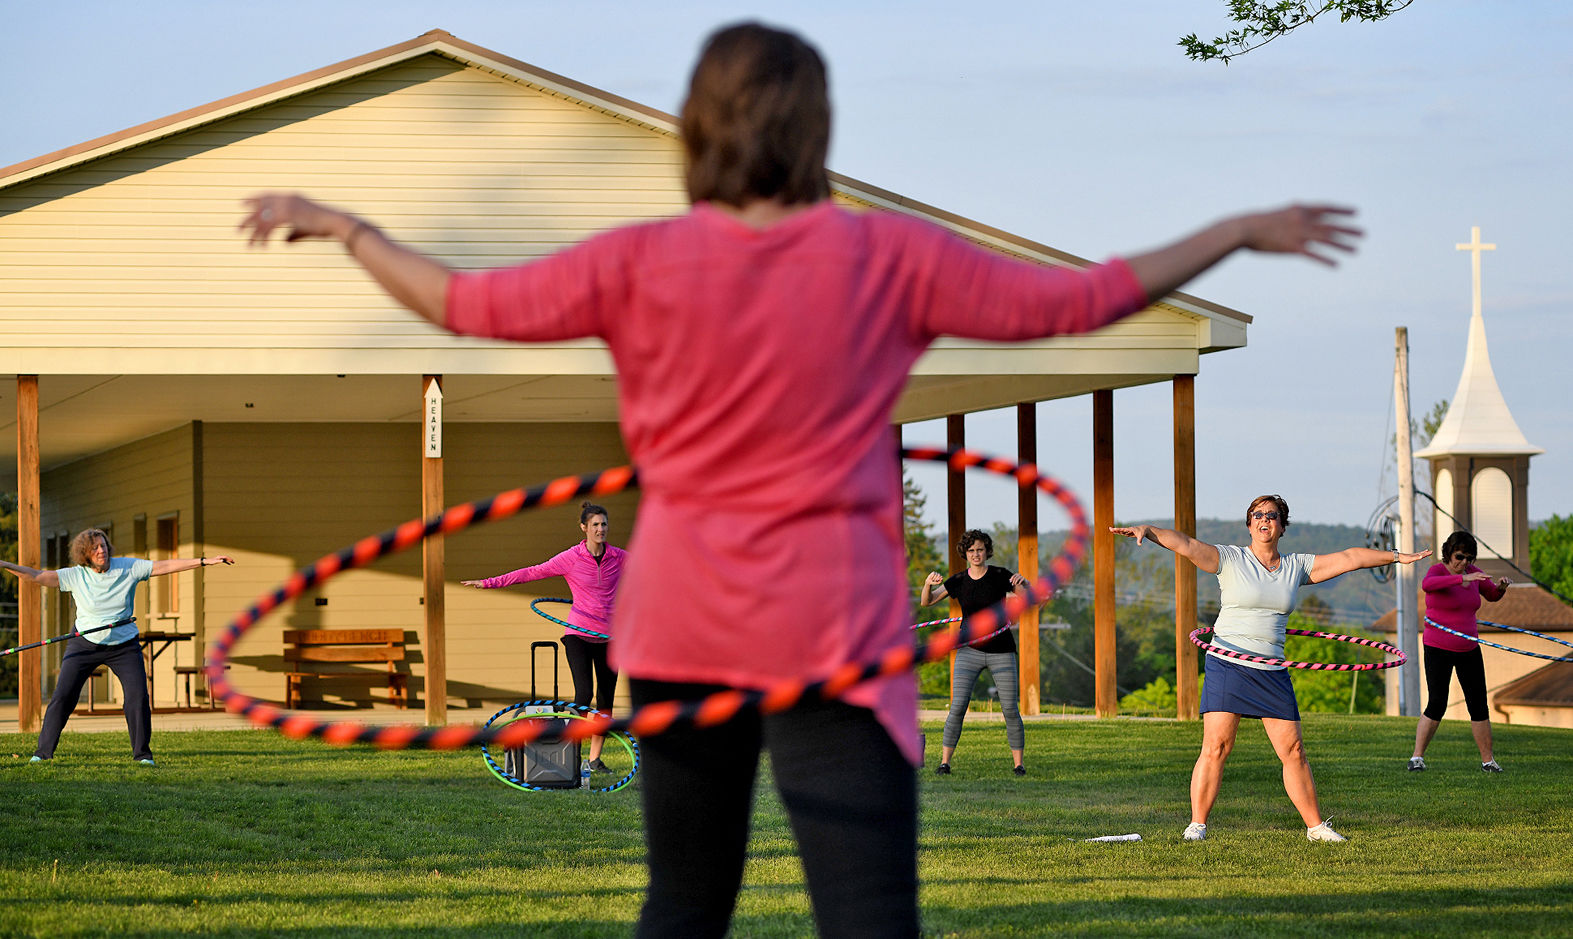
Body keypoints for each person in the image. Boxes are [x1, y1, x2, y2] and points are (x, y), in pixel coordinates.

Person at [239, 21, 1362, 935]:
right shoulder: (885, 254)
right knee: (868, 919)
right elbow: (1076, 303)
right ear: (817, 125)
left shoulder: (640, 260)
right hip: (837, 638)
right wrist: (1229, 229)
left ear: (698, 126)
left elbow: (460, 304)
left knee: (685, 903)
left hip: (683, 634)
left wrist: (346, 227)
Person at [1112, 495, 1428, 844]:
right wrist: (1148, 531)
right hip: (1229, 661)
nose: (1265, 520)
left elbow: (1351, 558)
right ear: (1249, 524)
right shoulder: (1230, 558)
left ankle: (1315, 827)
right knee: (1216, 746)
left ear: (1282, 526)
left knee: (1293, 751)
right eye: (1258, 515)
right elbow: (1186, 544)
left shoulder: (1297, 567)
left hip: (1271, 669)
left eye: (1272, 515)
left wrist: (1400, 556)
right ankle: (1197, 824)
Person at [0, 528, 235, 765]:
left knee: (138, 696)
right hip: (84, 643)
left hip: (124, 645)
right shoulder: (76, 575)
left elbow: (164, 566)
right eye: (95, 548)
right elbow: (37, 575)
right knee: (63, 696)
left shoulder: (128, 567)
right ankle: (42, 753)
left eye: (103, 546)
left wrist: (205, 561)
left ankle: (143, 755)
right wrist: (4, 564)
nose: (101, 551)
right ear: (85, 554)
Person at [462, 501, 625, 772]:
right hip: (579, 633)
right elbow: (531, 572)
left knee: (606, 699)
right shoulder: (571, 558)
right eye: (595, 524)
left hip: (610, 636)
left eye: (604, 524)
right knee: (584, 694)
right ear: (584, 528)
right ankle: (568, 749)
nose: (600, 529)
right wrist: (488, 582)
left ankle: (595, 759)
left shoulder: (620, 558)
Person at [918, 529, 1029, 776]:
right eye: (971, 551)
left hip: (1001, 649)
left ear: (986, 551)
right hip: (969, 650)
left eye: (980, 549)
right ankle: (945, 763)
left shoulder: (1001, 575)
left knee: (1010, 708)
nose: (976, 554)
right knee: (958, 706)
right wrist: (927, 584)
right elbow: (927, 601)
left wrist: (1024, 584)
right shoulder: (958, 580)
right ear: (965, 554)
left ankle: (1018, 764)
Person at [1409, 530, 1510, 773]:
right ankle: (1417, 757)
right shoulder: (1439, 571)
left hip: (1468, 648)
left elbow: (1491, 595)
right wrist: (1460, 580)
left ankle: (1488, 761)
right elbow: (1427, 585)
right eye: (1460, 557)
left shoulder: (1472, 574)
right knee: (1437, 703)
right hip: (1438, 647)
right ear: (1449, 553)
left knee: (1478, 705)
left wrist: (1501, 587)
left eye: (1469, 559)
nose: (1464, 563)